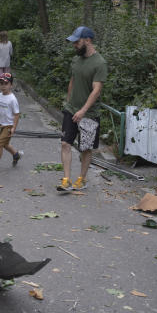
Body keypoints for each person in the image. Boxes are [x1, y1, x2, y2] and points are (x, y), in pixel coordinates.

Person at [58, 26, 106, 191]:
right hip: (71, 109)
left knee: (85, 148)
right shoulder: (75, 60)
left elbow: (97, 90)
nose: (74, 45)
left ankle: (82, 179)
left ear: (88, 40)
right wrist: (68, 101)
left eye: (77, 42)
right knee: (65, 143)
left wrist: (83, 110)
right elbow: (73, 80)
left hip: (89, 114)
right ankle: (66, 179)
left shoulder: (99, 63)